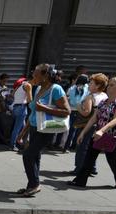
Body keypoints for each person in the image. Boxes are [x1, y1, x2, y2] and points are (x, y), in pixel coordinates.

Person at [14, 63, 70, 197]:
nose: (33, 76)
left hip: (46, 129)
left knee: (27, 155)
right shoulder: (39, 87)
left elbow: (66, 111)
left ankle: (34, 184)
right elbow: (33, 111)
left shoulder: (56, 89)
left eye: (36, 73)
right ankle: (31, 185)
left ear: (45, 75)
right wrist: (22, 133)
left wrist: (45, 109)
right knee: (35, 157)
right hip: (34, 127)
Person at [70, 76, 116, 189]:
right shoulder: (104, 101)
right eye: (109, 84)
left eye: (112, 85)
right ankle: (80, 180)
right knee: (90, 156)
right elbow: (94, 118)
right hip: (99, 133)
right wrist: (83, 133)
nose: (108, 87)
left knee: (112, 157)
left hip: (115, 135)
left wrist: (102, 131)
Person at [71, 73, 107, 177]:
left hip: (86, 125)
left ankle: (79, 168)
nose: (89, 85)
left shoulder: (90, 97)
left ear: (98, 86)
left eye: (91, 83)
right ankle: (92, 168)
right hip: (99, 125)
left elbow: (86, 112)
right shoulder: (104, 96)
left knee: (82, 147)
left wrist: (78, 106)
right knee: (93, 147)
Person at [65, 73, 89, 151]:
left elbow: (67, 98)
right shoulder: (87, 89)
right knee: (77, 129)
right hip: (80, 111)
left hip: (71, 110)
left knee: (70, 130)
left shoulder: (72, 88)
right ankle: (73, 146)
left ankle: (66, 146)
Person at [9, 73, 32, 153]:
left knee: (23, 127)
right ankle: (13, 145)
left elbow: (12, 94)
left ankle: (20, 142)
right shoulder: (28, 85)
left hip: (15, 107)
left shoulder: (20, 85)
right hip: (21, 108)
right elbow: (30, 100)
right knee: (17, 128)